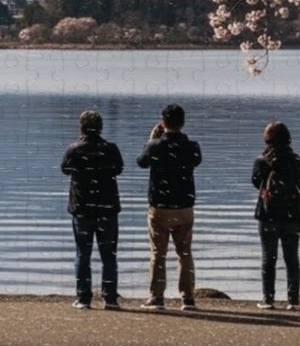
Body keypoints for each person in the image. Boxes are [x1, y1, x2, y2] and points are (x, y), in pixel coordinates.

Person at [135, 103, 203, 311]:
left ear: (163, 123)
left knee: (158, 253)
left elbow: (141, 162)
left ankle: (157, 298)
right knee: (185, 253)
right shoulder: (192, 147)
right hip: (184, 207)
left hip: (160, 207)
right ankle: (188, 298)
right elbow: (196, 161)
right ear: (183, 123)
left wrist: (152, 140)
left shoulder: (155, 147)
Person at [59, 109, 124, 310]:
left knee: (83, 254)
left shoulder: (74, 150)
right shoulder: (111, 149)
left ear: (82, 128)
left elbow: (65, 169)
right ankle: (110, 299)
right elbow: (119, 169)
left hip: (82, 210)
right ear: (101, 128)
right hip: (107, 211)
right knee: (109, 256)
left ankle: (83, 298)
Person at [251, 121, 300, 311]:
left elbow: (255, 182)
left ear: (267, 139)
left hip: (268, 214)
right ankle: (293, 301)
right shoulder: (296, 160)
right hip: (292, 215)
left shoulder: (262, 160)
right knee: (292, 258)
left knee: (269, 257)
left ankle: (268, 300)